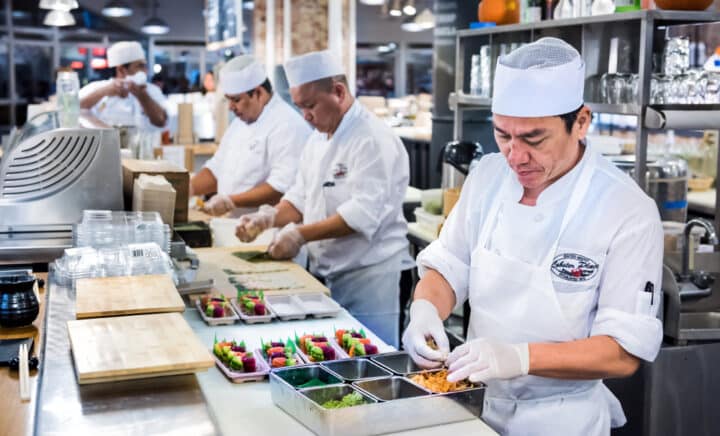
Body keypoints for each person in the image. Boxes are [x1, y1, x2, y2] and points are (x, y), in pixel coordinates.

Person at [402, 38, 663, 435]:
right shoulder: (488, 177)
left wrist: (520, 358)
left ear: (581, 122)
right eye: (503, 135)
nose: (515, 156)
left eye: (534, 139)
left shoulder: (627, 210)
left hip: (562, 419)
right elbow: (449, 264)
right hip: (473, 407)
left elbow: (622, 352)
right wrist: (424, 311)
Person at [235, 50, 412, 347]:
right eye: (299, 106)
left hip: (370, 277)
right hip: (327, 274)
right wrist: (267, 218)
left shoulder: (372, 139)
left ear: (339, 92)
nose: (305, 115)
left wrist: (299, 235)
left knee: (371, 360)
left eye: (310, 105)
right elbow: (300, 198)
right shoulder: (318, 137)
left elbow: (361, 214)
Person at [190, 55, 310, 217]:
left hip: (266, 230)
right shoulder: (240, 122)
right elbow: (217, 168)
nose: (231, 107)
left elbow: (280, 188)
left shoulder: (287, 125)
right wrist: (188, 189)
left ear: (259, 93)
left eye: (236, 100)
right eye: (229, 100)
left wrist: (232, 201)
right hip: (233, 224)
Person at [79, 41, 167, 130]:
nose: (145, 71)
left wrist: (142, 95)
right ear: (121, 70)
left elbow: (161, 121)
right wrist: (103, 92)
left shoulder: (152, 90)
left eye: (145, 66)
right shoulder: (96, 88)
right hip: (107, 142)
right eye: (140, 66)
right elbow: (71, 110)